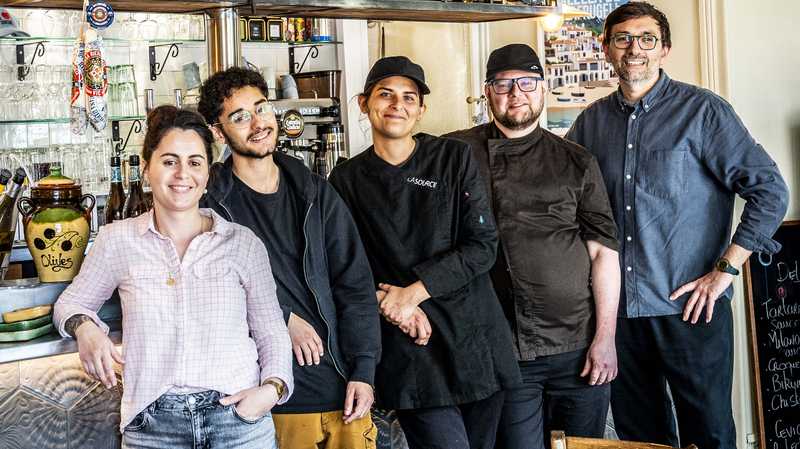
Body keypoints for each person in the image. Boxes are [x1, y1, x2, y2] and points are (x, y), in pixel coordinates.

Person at [565, 3, 789, 448]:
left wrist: (724, 272)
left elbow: (770, 191)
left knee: (709, 433)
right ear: (605, 48)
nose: (635, 49)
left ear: (664, 48)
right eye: (623, 38)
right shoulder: (590, 123)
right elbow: (565, 204)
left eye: (646, 39)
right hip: (619, 316)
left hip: (690, 309)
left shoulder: (703, 112)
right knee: (641, 436)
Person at [53, 106, 293, 449]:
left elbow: (272, 332)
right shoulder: (118, 239)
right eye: (169, 161)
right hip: (153, 426)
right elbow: (71, 304)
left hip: (237, 422)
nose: (183, 173)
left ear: (207, 174)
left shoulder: (242, 243)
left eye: (195, 162)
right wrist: (86, 328)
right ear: (147, 168)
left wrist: (271, 391)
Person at [328, 56, 521, 449]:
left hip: (474, 341)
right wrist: (392, 304)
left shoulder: (452, 158)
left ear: (420, 110)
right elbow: (346, 266)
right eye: (385, 95)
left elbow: (482, 245)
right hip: (410, 347)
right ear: (363, 103)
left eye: (408, 97)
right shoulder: (346, 179)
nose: (397, 105)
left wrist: (412, 293)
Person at [446, 44, 621, 449]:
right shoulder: (455, 154)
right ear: (487, 91)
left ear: (542, 89)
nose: (516, 93)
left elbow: (603, 254)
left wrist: (606, 338)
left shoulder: (576, 160)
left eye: (527, 83)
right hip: (504, 352)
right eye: (504, 84)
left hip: (578, 346)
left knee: (582, 447)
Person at [197, 67, 381, 449]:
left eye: (261, 108)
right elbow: (202, 292)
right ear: (218, 132)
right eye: (239, 116)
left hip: (342, 390)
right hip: (271, 399)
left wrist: (364, 371)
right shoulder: (210, 204)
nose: (258, 123)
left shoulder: (315, 193)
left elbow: (355, 284)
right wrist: (282, 317)